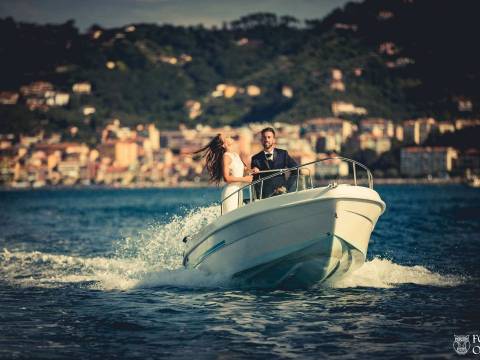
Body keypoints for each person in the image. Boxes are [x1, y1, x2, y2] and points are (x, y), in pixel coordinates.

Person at [194, 134, 253, 214]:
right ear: (223, 145)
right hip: (231, 192)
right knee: (231, 218)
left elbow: (244, 171)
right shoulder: (226, 156)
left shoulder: (235, 155)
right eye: (226, 137)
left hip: (239, 191)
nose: (229, 136)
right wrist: (244, 179)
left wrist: (252, 171)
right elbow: (226, 178)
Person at [251, 127, 298, 199]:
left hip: (282, 194)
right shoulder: (255, 158)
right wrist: (258, 197)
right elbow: (255, 181)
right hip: (265, 197)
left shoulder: (283, 154)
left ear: (274, 139)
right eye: (264, 137)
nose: (266, 139)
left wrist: (286, 187)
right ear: (261, 140)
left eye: (269, 137)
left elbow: (296, 169)